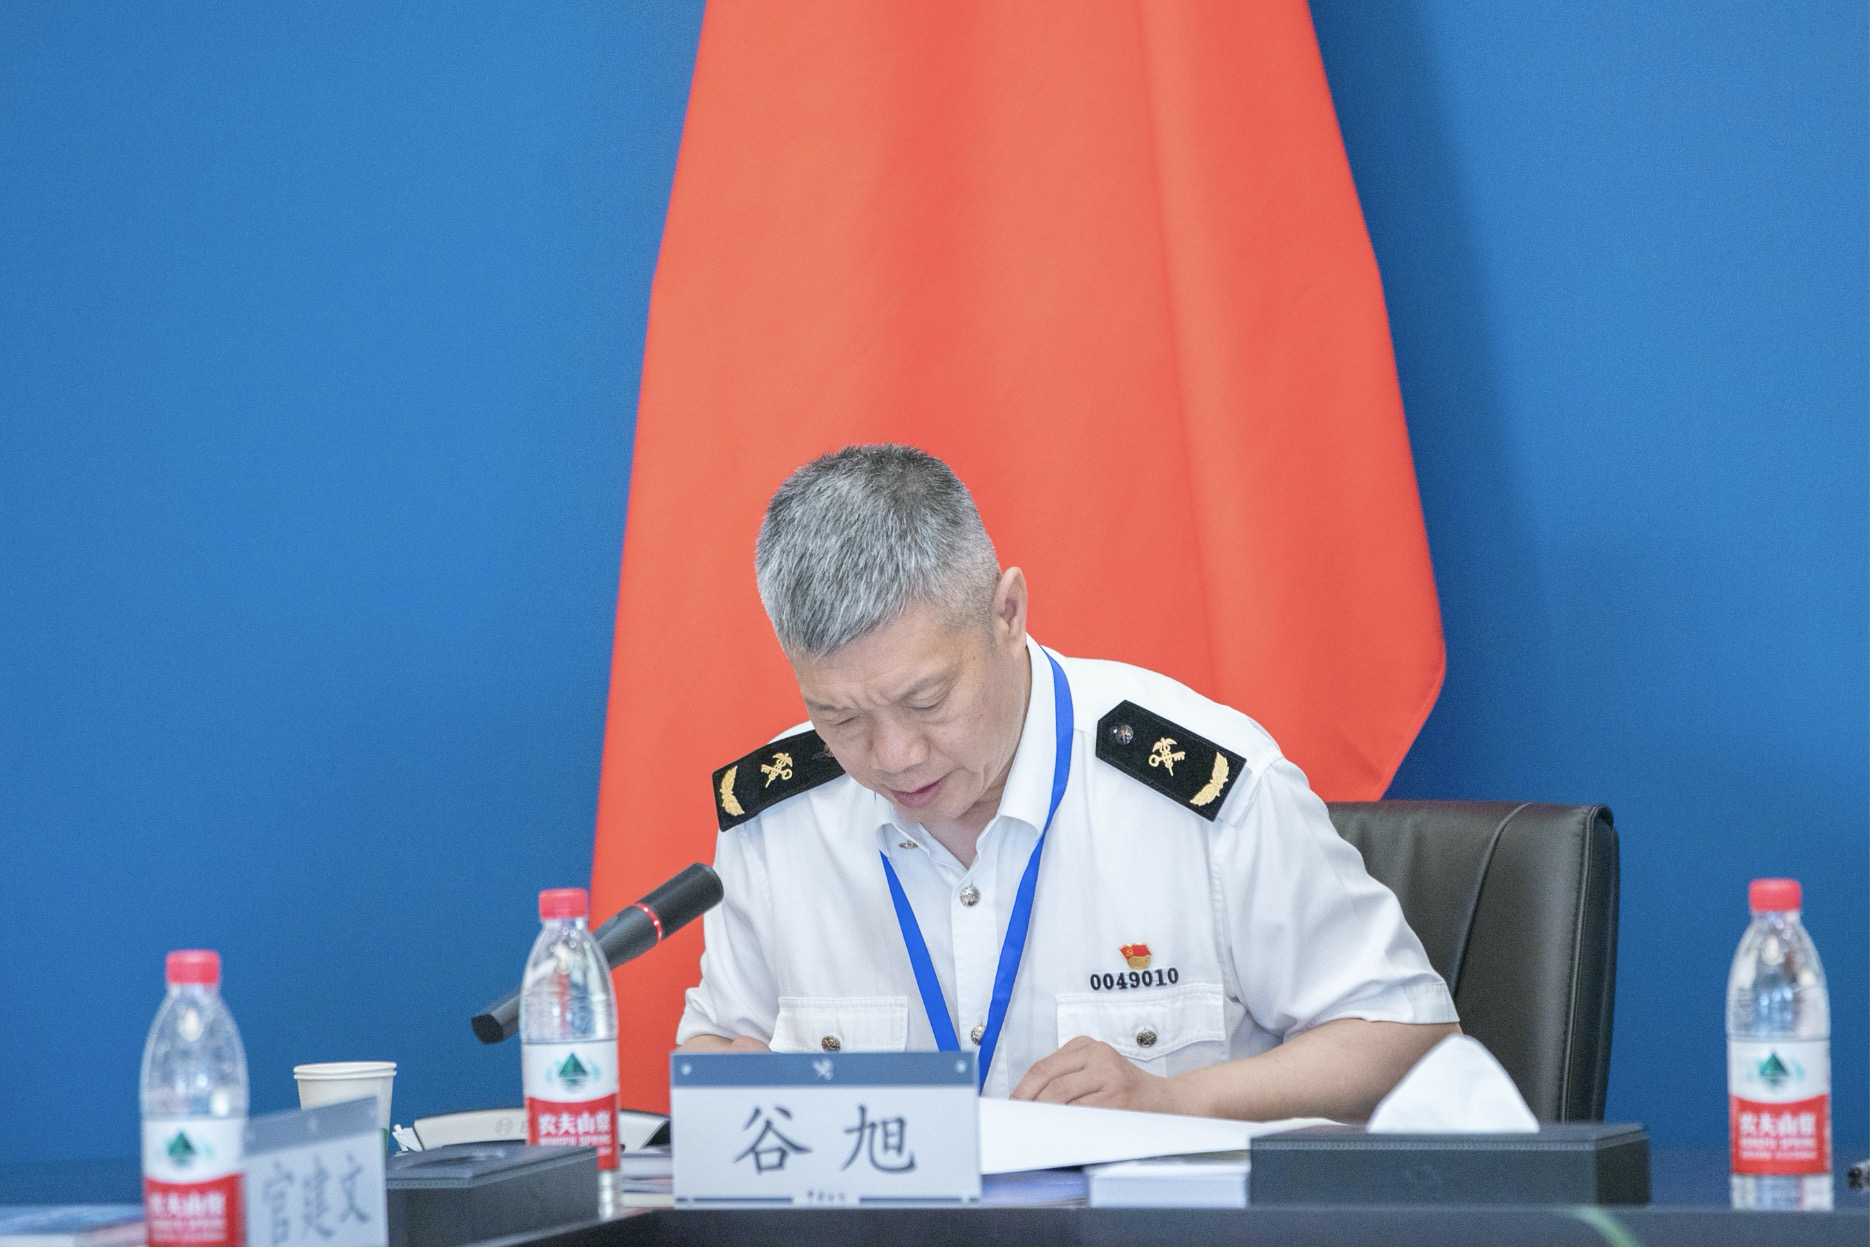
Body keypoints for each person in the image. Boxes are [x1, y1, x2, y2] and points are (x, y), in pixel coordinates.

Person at [676, 445, 1458, 1121]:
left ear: (1007, 612)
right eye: (840, 717)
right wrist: (733, 1080)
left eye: (927, 700)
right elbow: (718, 1041)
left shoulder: (1201, 789)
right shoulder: (775, 817)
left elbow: (1409, 1035)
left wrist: (1173, 1100)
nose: (895, 756)